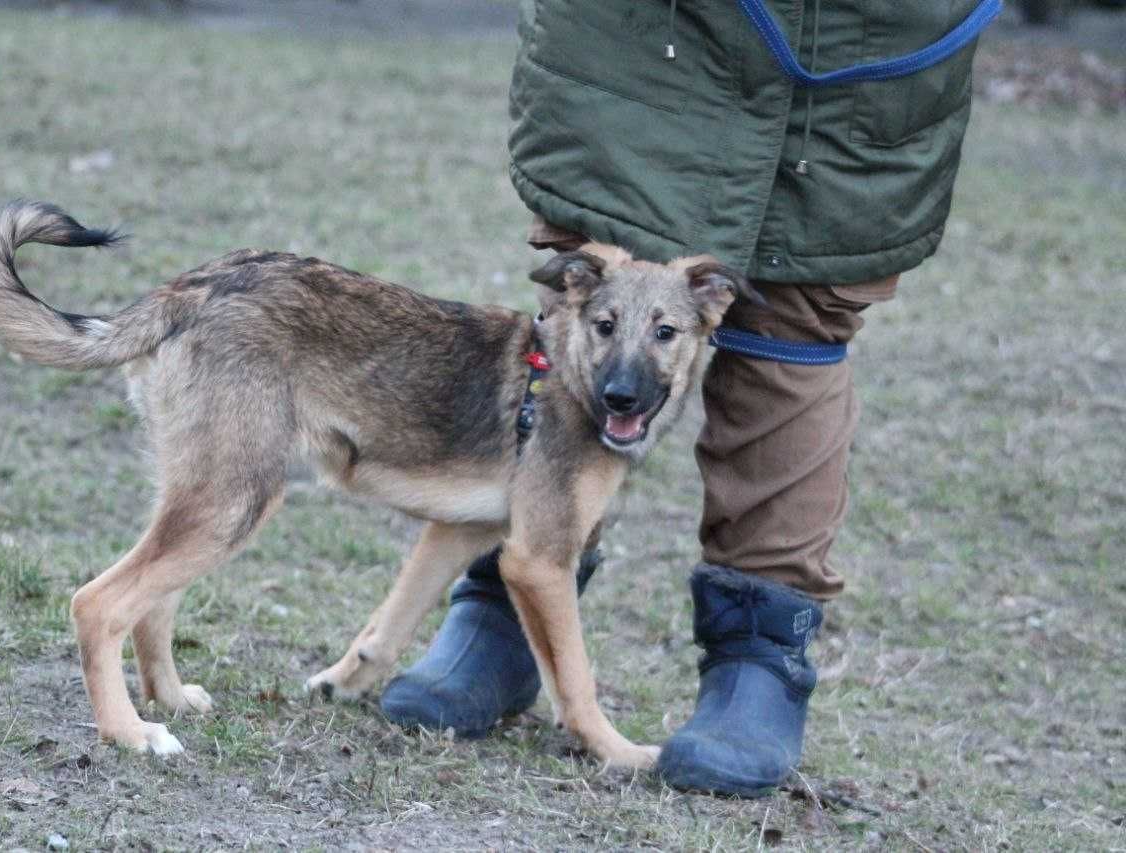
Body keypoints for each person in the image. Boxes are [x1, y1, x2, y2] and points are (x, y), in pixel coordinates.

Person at [380, 0, 990, 796]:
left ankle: (759, 659)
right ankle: (513, 596)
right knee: (610, 249)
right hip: (653, 29)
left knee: (801, 307)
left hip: (862, 29)